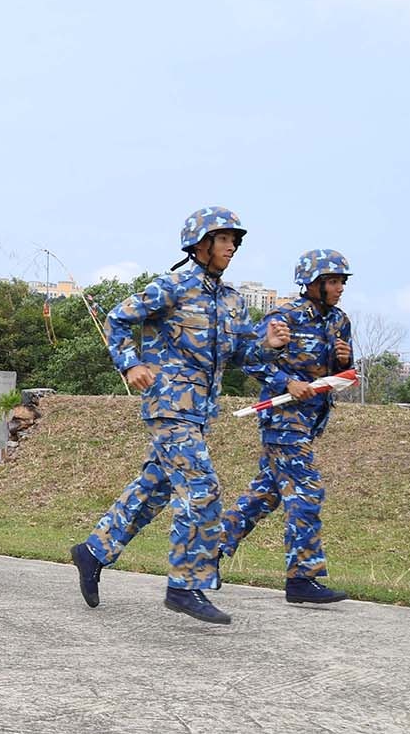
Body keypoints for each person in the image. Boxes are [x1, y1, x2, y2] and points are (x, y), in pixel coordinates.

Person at [69, 207, 290, 625]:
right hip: (169, 405)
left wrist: (270, 344)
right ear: (201, 244)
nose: (231, 247)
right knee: (202, 488)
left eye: (235, 241)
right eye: (224, 239)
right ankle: (185, 585)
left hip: (200, 412)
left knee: (153, 489)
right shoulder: (172, 287)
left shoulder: (232, 301)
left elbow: (243, 356)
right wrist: (130, 364)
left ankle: (93, 551)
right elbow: (117, 318)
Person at [219, 249, 355, 605]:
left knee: (265, 495)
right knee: (307, 491)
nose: (340, 287)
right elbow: (250, 361)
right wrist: (285, 381)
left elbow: (342, 375)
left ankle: (203, 556)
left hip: (312, 420)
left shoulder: (339, 321)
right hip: (283, 419)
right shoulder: (283, 317)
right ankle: (302, 578)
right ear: (312, 283)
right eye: (334, 281)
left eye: (343, 281)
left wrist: (344, 361)